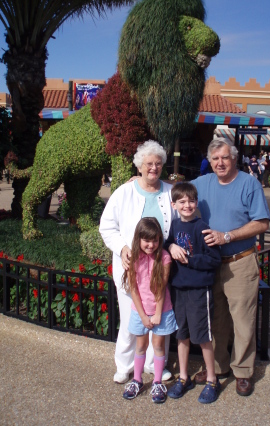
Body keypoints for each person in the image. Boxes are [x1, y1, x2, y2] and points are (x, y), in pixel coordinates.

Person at [189, 138, 270, 396]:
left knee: (243, 320)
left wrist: (227, 236)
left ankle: (243, 372)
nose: (220, 163)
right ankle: (218, 367)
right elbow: (174, 191)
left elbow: (261, 223)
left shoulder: (249, 183)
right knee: (217, 320)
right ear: (209, 161)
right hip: (211, 264)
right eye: (215, 159)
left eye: (224, 157)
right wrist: (141, 179)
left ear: (234, 158)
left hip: (240, 262)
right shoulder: (202, 184)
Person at [99, 140, 178, 384]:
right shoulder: (124, 191)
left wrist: (173, 244)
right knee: (131, 319)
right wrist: (122, 248)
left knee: (159, 317)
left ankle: (156, 365)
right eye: (148, 164)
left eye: (157, 164)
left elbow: (182, 219)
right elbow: (107, 226)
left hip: (159, 269)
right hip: (130, 268)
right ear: (139, 167)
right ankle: (125, 365)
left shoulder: (170, 191)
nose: (153, 168)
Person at [165, 183, 222, 404]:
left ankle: (211, 379)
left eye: (191, 201)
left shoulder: (202, 227)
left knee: (203, 336)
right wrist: (171, 248)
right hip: (179, 289)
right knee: (182, 334)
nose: (187, 205)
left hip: (199, 290)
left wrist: (189, 258)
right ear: (174, 205)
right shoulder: (175, 225)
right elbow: (168, 243)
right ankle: (184, 377)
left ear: (196, 203)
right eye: (182, 202)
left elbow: (214, 259)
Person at [121, 218, 178, 403]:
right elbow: (134, 289)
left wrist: (158, 313)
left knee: (159, 346)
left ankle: (157, 381)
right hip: (140, 311)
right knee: (141, 345)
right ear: (138, 239)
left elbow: (161, 287)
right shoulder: (133, 259)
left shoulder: (164, 257)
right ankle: (137, 379)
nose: (151, 245)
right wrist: (144, 315)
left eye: (155, 240)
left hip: (162, 310)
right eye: (146, 240)